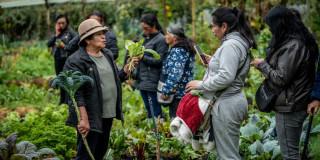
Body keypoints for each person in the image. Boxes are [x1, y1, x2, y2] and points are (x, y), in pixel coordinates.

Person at [186, 7, 256, 159]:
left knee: (228, 156)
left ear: (224, 26)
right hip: (231, 102)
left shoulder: (230, 45)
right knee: (226, 153)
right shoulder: (237, 42)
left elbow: (226, 76)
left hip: (227, 105)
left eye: (213, 26)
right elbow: (230, 68)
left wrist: (201, 84)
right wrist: (214, 62)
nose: (212, 30)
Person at [251, 6, 319, 160]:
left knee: (290, 154)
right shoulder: (297, 40)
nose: (270, 30)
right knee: (291, 151)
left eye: (271, 26)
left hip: (290, 106)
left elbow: (280, 78)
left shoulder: (293, 46)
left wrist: (262, 65)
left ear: (280, 24)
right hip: (293, 102)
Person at [63, 19, 136, 160]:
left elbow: (116, 78)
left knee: (100, 151)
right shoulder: (76, 60)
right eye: (98, 34)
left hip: (108, 113)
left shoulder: (107, 54)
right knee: (86, 154)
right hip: (91, 115)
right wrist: (83, 119)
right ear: (87, 40)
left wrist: (127, 69)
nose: (104, 36)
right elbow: (77, 93)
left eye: (103, 33)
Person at [136, 13, 169, 119]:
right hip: (143, 80)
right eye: (143, 28)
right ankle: (154, 132)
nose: (144, 30)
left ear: (153, 25)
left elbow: (160, 60)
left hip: (152, 80)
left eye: (146, 28)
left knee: (155, 111)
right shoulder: (146, 38)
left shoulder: (161, 40)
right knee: (149, 110)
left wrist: (142, 57)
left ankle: (159, 132)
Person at [159, 26, 195, 118]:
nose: (165, 36)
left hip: (178, 95)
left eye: (167, 34)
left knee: (176, 123)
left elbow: (175, 74)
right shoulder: (184, 49)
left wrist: (166, 91)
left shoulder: (177, 51)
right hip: (185, 92)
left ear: (174, 37)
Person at [47, 14, 77, 104]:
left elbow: (76, 46)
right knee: (60, 79)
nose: (60, 25)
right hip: (58, 60)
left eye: (63, 23)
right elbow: (48, 44)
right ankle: (62, 100)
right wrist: (56, 35)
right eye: (58, 23)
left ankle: (69, 100)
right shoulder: (58, 33)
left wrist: (64, 46)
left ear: (67, 23)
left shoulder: (71, 33)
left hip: (67, 60)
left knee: (68, 81)